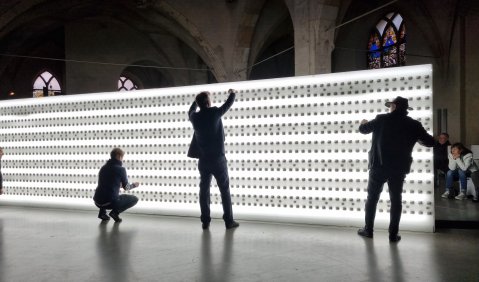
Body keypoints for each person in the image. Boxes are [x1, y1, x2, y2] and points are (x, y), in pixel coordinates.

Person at [357, 96, 435, 242]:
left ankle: (368, 230)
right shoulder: (414, 125)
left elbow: (363, 130)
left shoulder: (381, 119)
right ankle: (393, 234)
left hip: (378, 166)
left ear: (393, 106)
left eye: (390, 106)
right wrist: (415, 137)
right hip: (399, 168)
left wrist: (363, 123)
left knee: (372, 198)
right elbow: (430, 142)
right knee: (396, 200)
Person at [188, 89, 239, 230]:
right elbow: (227, 105)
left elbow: (191, 110)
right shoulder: (215, 112)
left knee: (204, 190)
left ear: (199, 104)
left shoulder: (194, 117)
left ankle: (205, 221)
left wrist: (195, 102)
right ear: (208, 102)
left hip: (203, 160)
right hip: (218, 160)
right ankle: (229, 221)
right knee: (224, 190)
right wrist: (233, 93)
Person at [93, 148, 139, 222]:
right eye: (122, 157)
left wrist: (117, 185)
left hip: (97, 201)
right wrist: (134, 185)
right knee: (135, 199)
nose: (122, 159)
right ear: (119, 156)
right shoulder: (121, 169)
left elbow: (106, 183)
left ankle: (102, 213)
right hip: (109, 203)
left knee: (104, 192)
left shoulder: (103, 168)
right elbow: (126, 187)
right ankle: (114, 213)